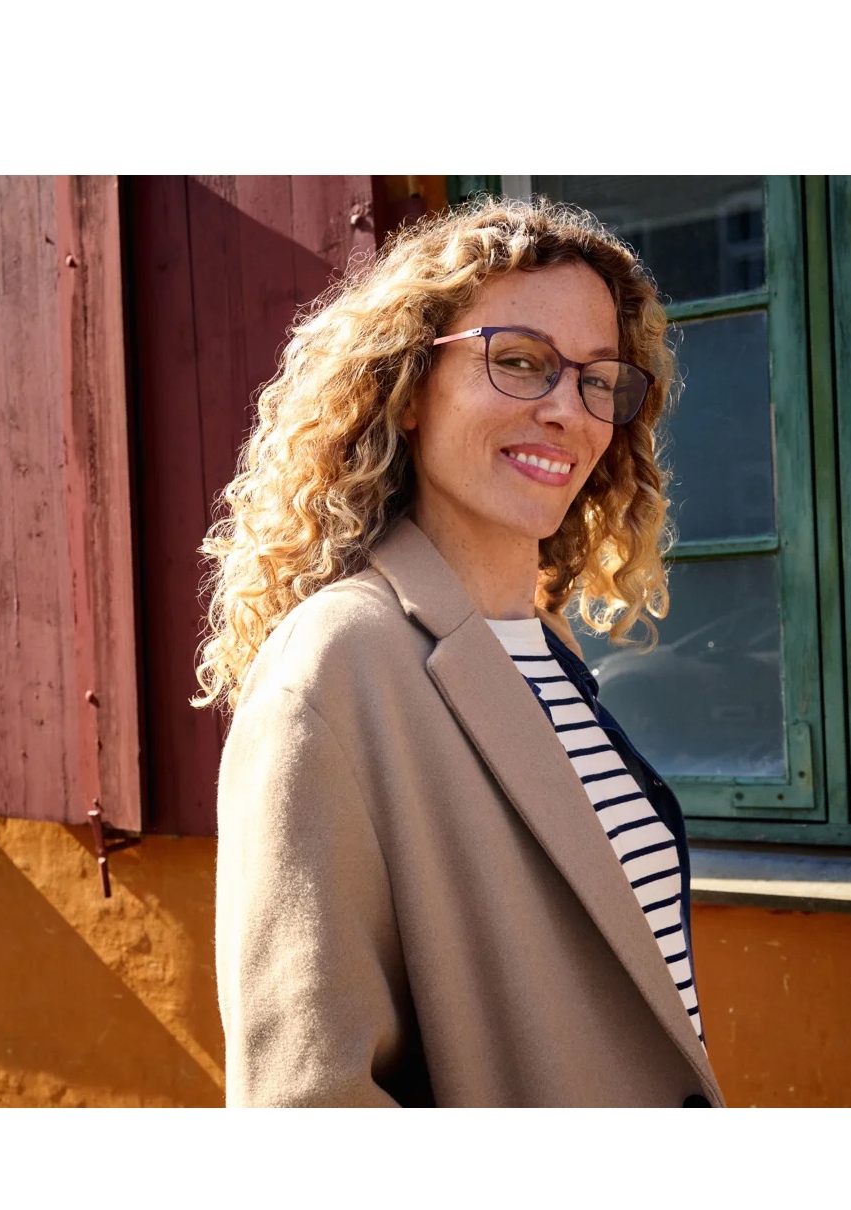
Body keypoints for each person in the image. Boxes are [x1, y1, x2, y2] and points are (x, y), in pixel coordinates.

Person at [197, 197, 724, 1107]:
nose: (568, 410)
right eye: (518, 361)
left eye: (599, 378)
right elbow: (310, 1102)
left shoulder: (545, 639)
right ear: (406, 388)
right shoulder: (333, 665)